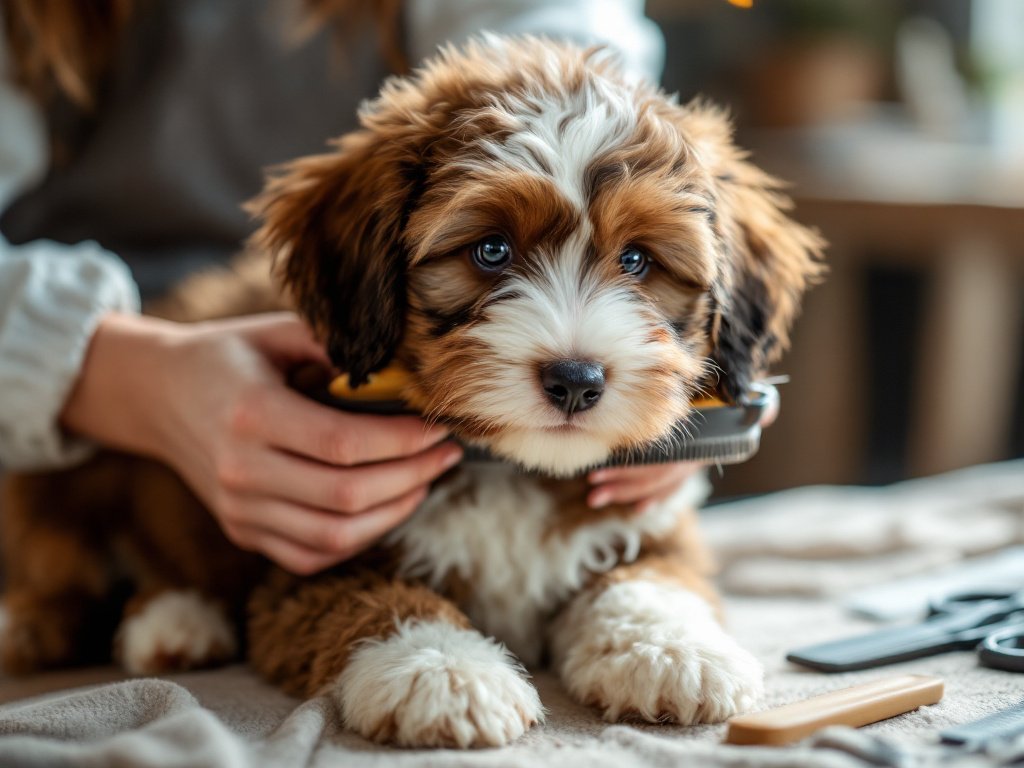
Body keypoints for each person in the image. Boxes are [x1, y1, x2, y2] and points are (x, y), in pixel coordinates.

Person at [0, 0, 701, 576]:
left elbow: (559, 59)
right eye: (491, 252)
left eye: (637, 264)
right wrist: (124, 375)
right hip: (52, 453)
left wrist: (704, 362)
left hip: (382, 396)